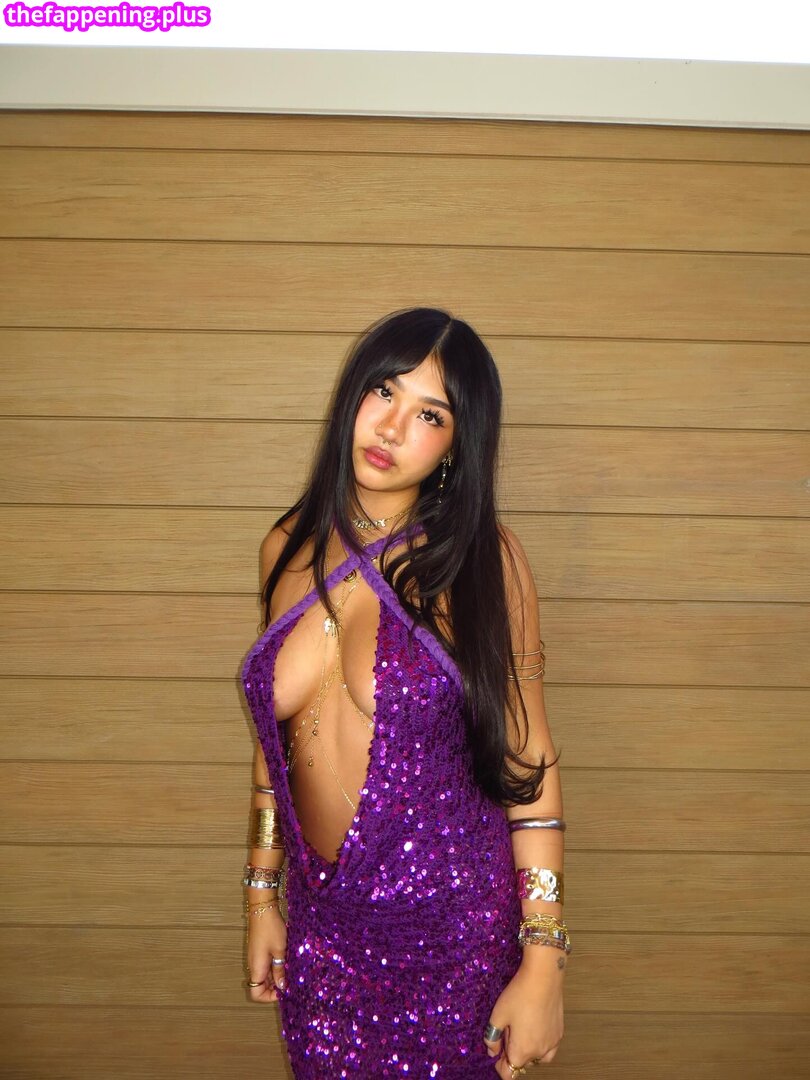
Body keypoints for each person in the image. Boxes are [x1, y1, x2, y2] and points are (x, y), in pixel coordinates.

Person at [240, 307, 568, 1078]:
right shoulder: (284, 547)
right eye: (384, 391)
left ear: (457, 444)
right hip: (324, 942)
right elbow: (273, 751)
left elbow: (531, 760)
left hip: (454, 946)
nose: (391, 427)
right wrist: (261, 896)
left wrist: (544, 959)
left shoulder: (486, 563)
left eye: (429, 414)